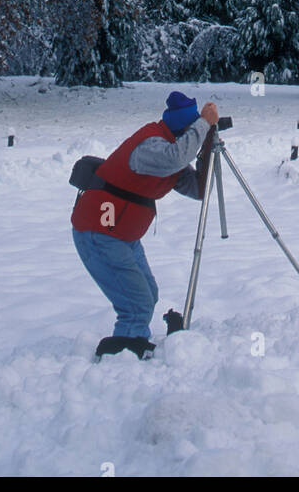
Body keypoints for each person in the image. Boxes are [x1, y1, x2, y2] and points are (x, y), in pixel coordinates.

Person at [71, 92, 219, 360]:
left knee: (148, 295)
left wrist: (207, 150)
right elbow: (175, 157)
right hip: (99, 232)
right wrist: (204, 125)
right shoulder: (152, 146)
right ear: (184, 128)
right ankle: (121, 359)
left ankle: (132, 347)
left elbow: (198, 189)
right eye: (192, 129)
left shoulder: (169, 151)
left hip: (122, 234)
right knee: (136, 304)